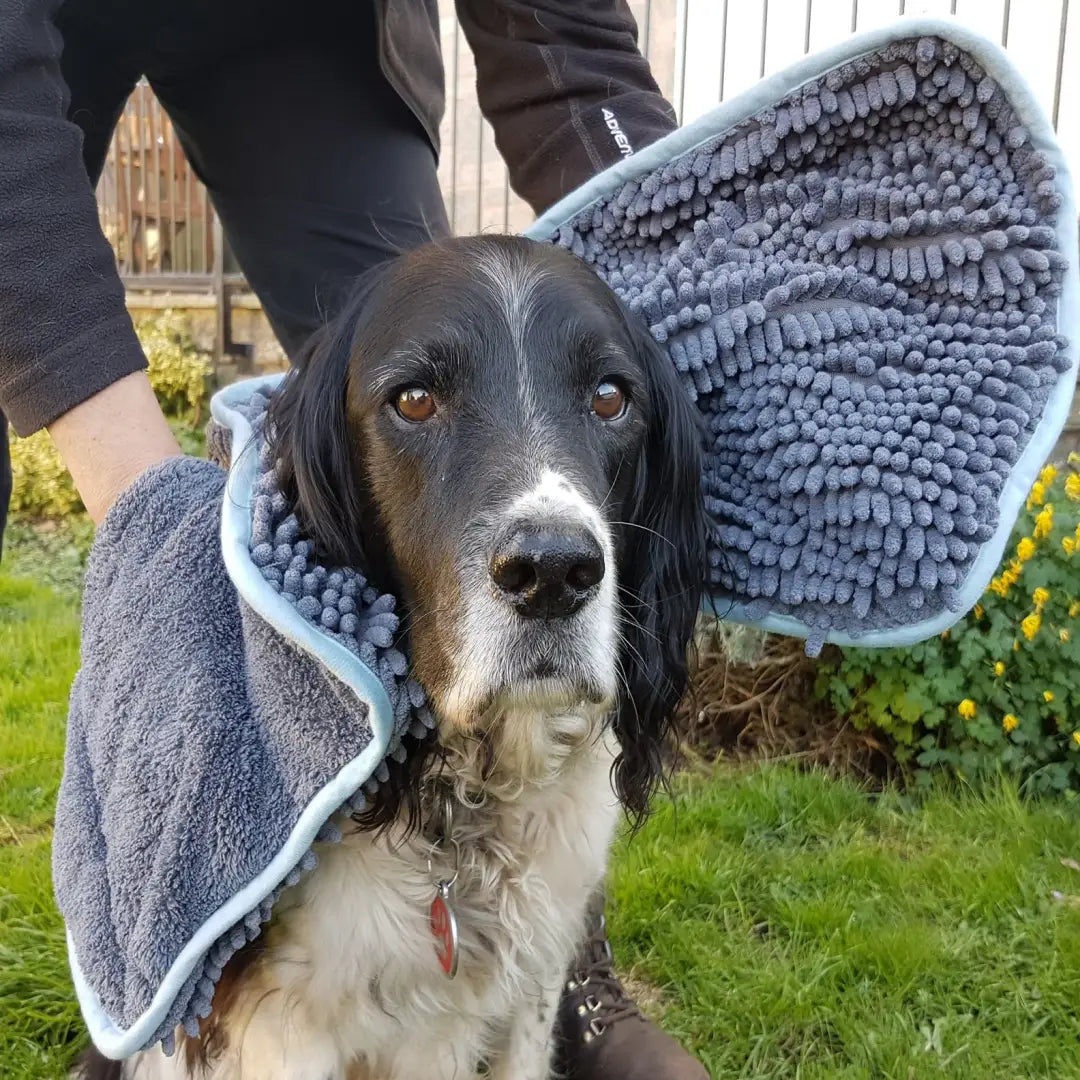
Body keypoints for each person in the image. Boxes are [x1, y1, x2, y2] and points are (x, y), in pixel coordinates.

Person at [0, 2, 707, 1076]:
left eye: (608, 398)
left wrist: (701, 267)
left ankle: (561, 973)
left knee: (437, 314)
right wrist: (160, 546)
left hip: (304, 33)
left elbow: (570, 49)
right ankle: (171, 965)